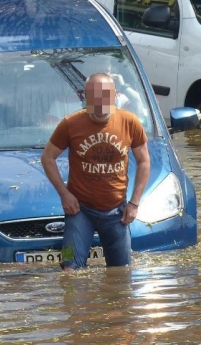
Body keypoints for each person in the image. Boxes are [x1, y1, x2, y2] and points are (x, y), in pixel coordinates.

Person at [40, 72, 151, 271]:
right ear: (85, 96)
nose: (100, 101)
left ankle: (115, 303)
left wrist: (134, 203)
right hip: (79, 211)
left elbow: (144, 161)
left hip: (117, 211)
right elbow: (47, 157)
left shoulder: (130, 122)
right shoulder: (70, 124)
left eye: (105, 95)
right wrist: (64, 194)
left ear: (115, 95)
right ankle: (71, 300)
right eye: (94, 95)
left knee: (121, 271)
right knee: (68, 267)